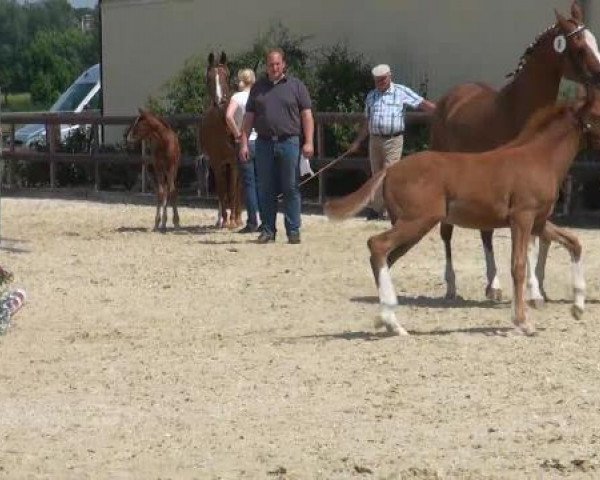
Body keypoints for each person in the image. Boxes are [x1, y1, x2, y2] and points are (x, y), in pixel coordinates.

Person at [239, 48, 314, 244]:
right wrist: (244, 143)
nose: (274, 67)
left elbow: (307, 115)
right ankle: (268, 230)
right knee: (266, 189)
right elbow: (248, 118)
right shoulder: (257, 88)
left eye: (277, 64)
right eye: (271, 64)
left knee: (291, 187)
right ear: (266, 66)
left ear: (284, 64)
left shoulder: (296, 86)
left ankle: (293, 230)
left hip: (289, 142)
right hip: (263, 143)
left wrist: (309, 141)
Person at [348, 63, 436, 220]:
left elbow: (421, 102)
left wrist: (440, 112)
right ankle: (377, 209)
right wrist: (358, 141)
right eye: (377, 80)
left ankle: (391, 209)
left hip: (393, 139)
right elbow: (367, 121)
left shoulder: (400, 91)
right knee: (376, 174)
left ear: (390, 77)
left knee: (390, 174)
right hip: (375, 139)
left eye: (383, 79)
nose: (380, 82)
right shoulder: (371, 96)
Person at [225, 68, 261, 233]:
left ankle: (253, 221)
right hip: (260, 142)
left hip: (244, 142)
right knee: (263, 183)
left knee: (249, 184)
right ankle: (266, 220)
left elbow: (228, 116)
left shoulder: (237, 97)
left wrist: (237, 134)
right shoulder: (259, 96)